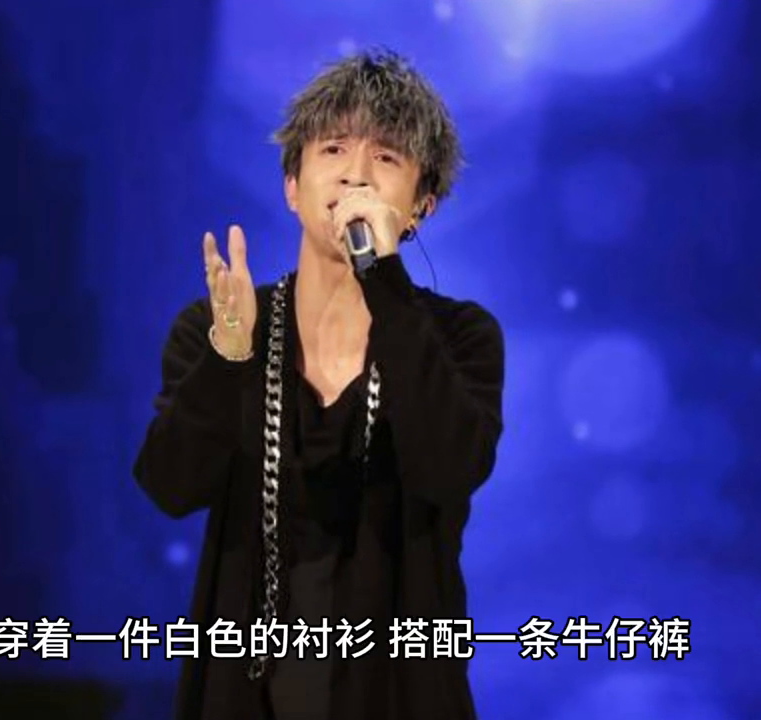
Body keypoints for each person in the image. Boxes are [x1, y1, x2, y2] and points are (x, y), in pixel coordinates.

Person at [133, 48, 505, 720]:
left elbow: (449, 469)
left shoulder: (459, 339)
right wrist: (229, 358)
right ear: (292, 186)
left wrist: (382, 279)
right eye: (333, 149)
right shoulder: (223, 326)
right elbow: (169, 485)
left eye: (386, 157)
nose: (355, 175)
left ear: (419, 207)